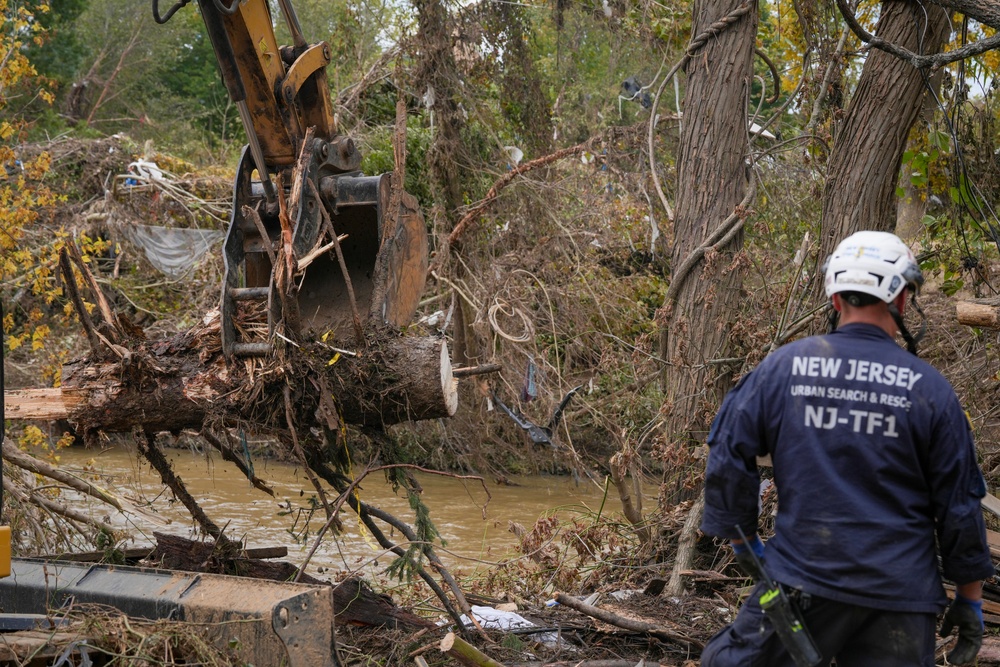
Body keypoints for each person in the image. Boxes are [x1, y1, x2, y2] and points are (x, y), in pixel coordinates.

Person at [699, 230, 994, 666]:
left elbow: (727, 452)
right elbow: (961, 503)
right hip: (902, 599)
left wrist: (744, 542)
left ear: (835, 300)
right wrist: (969, 599)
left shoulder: (782, 368)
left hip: (801, 582)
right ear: (902, 300)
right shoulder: (931, 390)